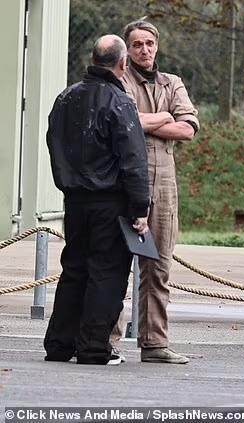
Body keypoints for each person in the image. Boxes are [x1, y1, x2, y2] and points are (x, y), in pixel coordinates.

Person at [43, 34, 149, 365]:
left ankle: (60, 343)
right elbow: (133, 159)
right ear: (123, 63)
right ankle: (93, 347)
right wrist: (140, 207)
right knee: (107, 272)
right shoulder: (119, 101)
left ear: (93, 59)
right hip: (111, 201)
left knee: (73, 269)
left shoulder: (65, 98)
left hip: (75, 200)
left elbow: (54, 143)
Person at [111, 20, 199, 364]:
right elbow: (123, 122)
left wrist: (149, 121)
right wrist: (165, 117)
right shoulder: (119, 81)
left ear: (157, 45)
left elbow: (188, 128)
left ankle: (154, 343)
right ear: (127, 50)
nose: (144, 50)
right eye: (136, 45)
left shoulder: (171, 83)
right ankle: (108, 340)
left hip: (164, 187)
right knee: (116, 266)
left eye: (149, 43)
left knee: (158, 267)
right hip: (126, 184)